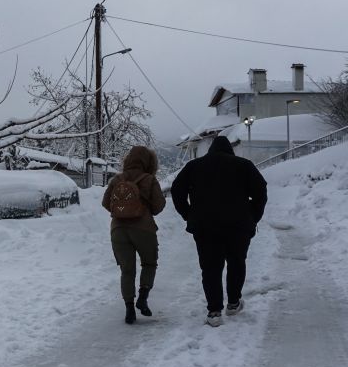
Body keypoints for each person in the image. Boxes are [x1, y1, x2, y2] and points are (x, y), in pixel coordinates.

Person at [170, 135, 268, 327]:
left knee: (210, 267)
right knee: (236, 262)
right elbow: (261, 191)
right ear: (230, 150)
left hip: (205, 227)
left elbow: (176, 190)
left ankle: (214, 312)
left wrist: (188, 214)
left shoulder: (194, 166)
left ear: (211, 149)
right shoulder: (244, 165)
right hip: (238, 226)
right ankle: (233, 303)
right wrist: (253, 216)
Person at [101, 145, 167, 324]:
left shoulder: (117, 179)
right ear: (149, 162)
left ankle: (129, 308)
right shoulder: (149, 179)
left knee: (127, 270)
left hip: (118, 230)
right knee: (149, 263)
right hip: (143, 229)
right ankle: (143, 297)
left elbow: (106, 203)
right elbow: (158, 206)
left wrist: (123, 210)